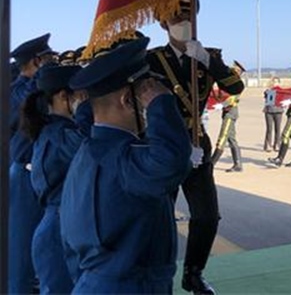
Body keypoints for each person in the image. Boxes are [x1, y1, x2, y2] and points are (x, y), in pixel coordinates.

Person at [60, 37, 192, 293]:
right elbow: (172, 162)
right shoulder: (124, 159)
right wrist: (161, 104)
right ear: (128, 101)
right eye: (145, 94)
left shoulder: (87, 150)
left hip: (93, 282)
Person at [147, 0, 244, 294]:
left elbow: (235, 85)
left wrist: (207, 60)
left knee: (207, 216)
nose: (183, 23)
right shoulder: (152, 60)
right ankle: (155, 273)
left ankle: (193, 273)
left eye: (188, 17)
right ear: (164, 24)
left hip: (198, 145)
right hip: (163, 143)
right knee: (158, 216)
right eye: (177, 17)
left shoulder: (207, 57)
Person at [22, 65, 84, 294]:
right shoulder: (58, 135)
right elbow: (89, 147)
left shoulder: (54, 130)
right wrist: (88, 110)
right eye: (81, 96)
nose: (84, 101)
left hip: (62, 224)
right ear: (62, 97)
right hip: (58, 230)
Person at [8, 33, 57, 294]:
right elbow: (24, 105)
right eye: (48, 58)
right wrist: (43, 73)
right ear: (36, 61)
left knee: (43, 249)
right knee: (20, 252)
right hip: (23, 176)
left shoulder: (41, 88)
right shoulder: (16, 89)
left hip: (41, 174)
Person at [262, 77, 284, 152]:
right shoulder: (269, 90)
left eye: (277, 82)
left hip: (278, 111)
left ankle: (277, 144)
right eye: (274, 82)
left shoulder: (281, 91)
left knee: (278, 129)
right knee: (269, 129)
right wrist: (268, 89)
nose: (275, 83)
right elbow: (266, 96)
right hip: (269, 111)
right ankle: (268, 145)